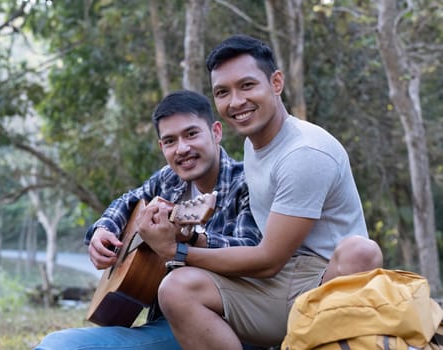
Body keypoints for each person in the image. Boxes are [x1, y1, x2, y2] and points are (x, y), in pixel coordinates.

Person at [136, 34, 384, 349]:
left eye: (247, 85)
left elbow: (268, 259)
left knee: (361, 251)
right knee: (176, 288)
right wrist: (191, 238)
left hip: (326, 281)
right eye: (223, 92)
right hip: (277, 284)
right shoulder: (254, 145)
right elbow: (266, 257)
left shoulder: (305, 152)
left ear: (276, 83)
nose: (236, 101)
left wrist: (177, 252)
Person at [34, 89, 263, 350]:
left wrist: (192, 240)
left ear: (216, 132)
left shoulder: (247, 182)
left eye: (191, 134)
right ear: (161, 147)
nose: (182, 148)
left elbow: (253, 253)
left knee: (58, 346)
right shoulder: (168, 180)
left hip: (220, 324)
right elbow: (127, 201)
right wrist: (102, 230)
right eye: (170, 141)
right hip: (164, 322)